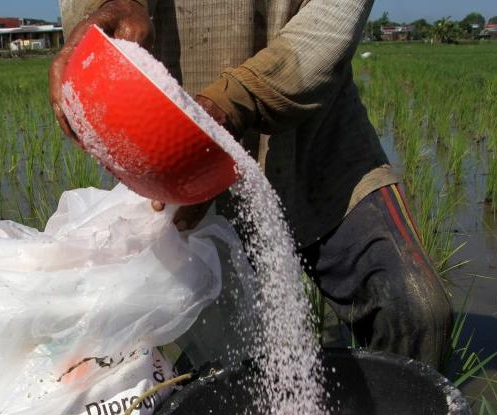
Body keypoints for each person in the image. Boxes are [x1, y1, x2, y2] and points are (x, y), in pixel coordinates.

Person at [49, 0, 452, 368]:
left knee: (417, 311)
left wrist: (228, 106)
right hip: (178, 150)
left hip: (319, 145)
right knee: (227, 360)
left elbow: (330, 22)